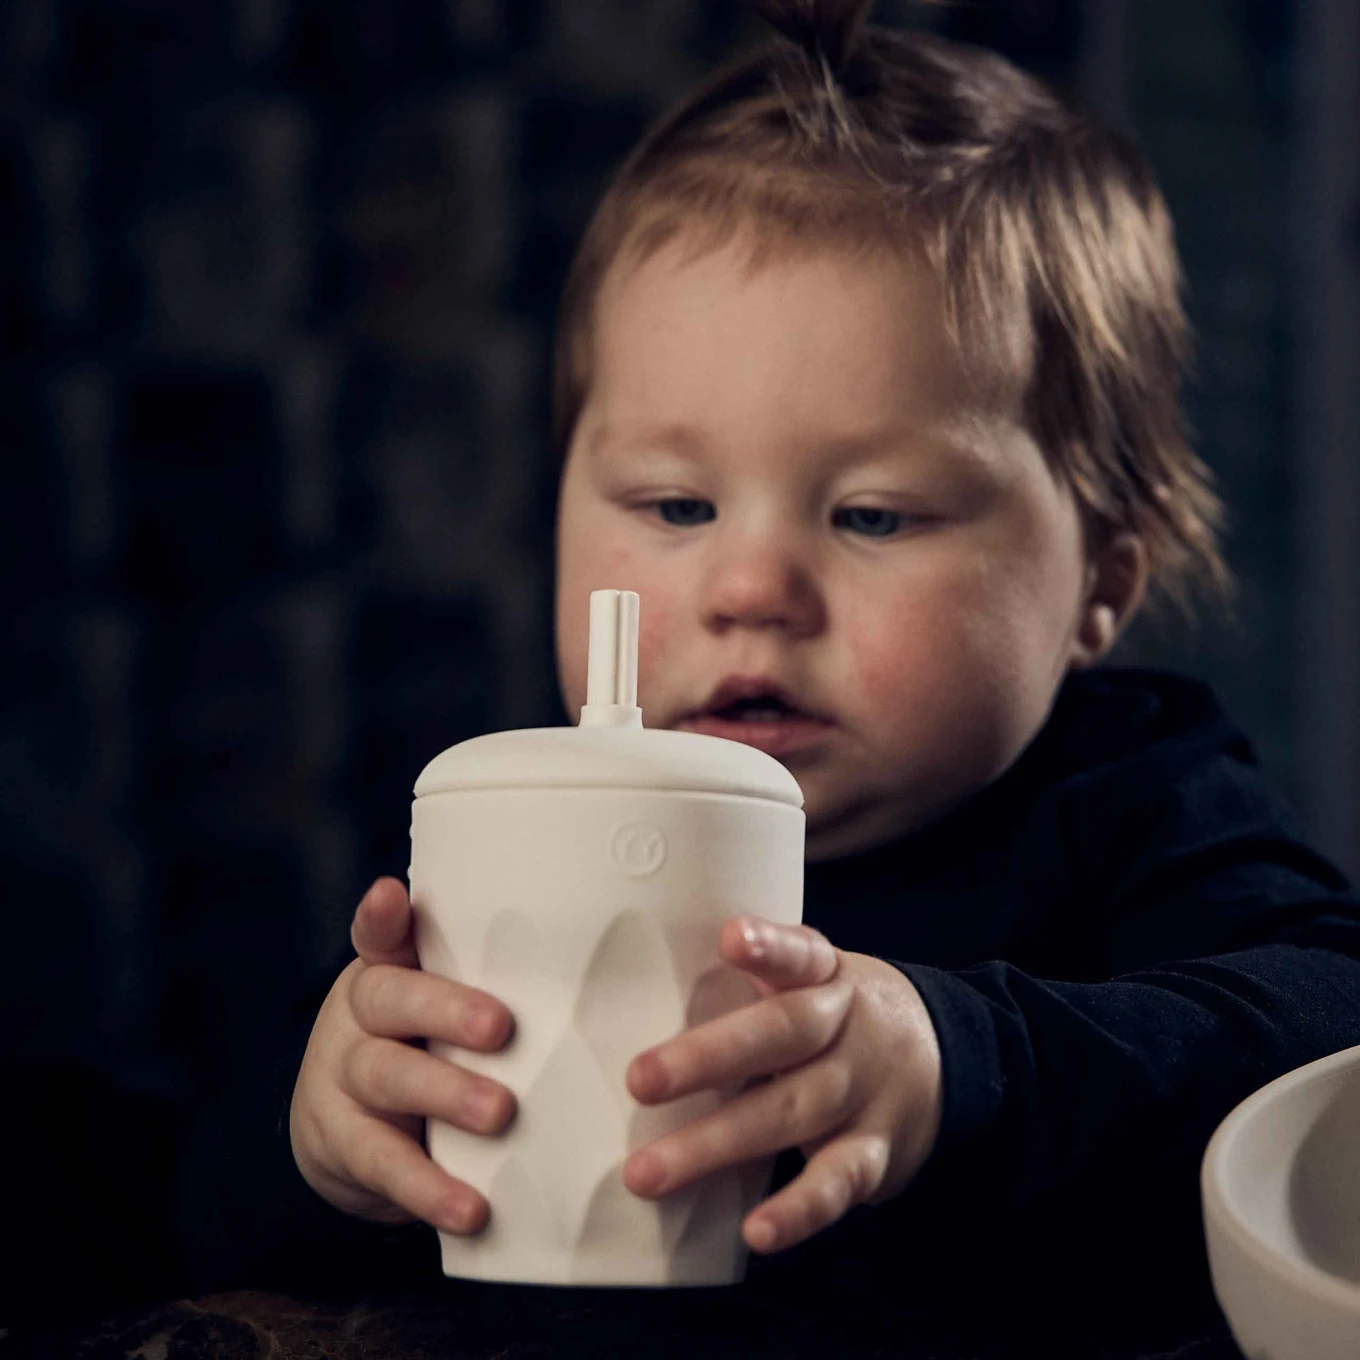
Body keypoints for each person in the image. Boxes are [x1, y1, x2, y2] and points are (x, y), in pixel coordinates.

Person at [287, 0, 1360, 1346]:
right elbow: (181, 1186)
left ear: (1100, 585)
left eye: (872, 516)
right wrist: (330, 1136)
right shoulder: (508, 837)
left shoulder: (1135, 799)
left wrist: (965, 1060)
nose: (749, 590)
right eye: (676, 506)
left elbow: (1332, 1035)